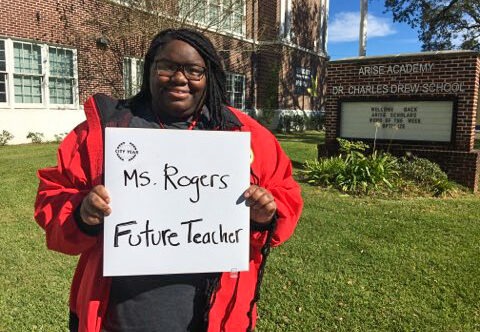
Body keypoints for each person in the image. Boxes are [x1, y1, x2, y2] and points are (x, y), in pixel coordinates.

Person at [34, 28, 303, 332]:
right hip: (118, 318)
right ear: (149, 69)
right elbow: (52, 199)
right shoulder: (104, 132)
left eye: (193, 70)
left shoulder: (248, 136)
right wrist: (83, 214)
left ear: (209, 77)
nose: (179, 78)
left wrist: (265, 216)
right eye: (167, 66)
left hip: (215, 318)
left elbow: (286, 198)